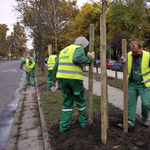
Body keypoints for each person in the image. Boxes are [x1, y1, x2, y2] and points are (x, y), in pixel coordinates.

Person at [52, 36, 95, 133]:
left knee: (67, 102)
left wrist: (56, 80)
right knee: (80, 100)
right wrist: (90, 57)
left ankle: (63, 126)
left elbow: (56, 66)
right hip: (74, 80)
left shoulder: (64, 50)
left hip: (63, 79)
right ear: (82, 44)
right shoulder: (78, 48)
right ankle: (83, 123)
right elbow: (76, 59)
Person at [121, 41, 150, 130]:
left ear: (140, 48)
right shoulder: (128, 55)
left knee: (146, 104)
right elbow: (125, 68)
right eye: (132, 51)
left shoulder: (148, 56)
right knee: (130, 104)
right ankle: (130, 122)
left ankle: (145, 118)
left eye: (136, 52)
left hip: (144, 84)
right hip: (132, 84)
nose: (134, 53)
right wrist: (123, 62)